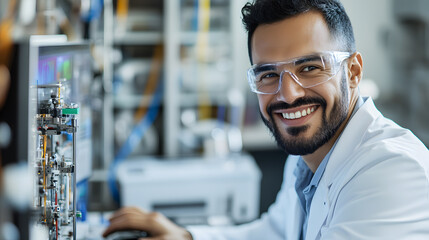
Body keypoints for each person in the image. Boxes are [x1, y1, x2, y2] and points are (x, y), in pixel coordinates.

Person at [103, 0, 429, 239]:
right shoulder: (309, 155)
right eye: (268, 74)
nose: (287, 94)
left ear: (354, 71)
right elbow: (274, 232)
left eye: (309, 68)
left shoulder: (392, 170)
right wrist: (187, 237)